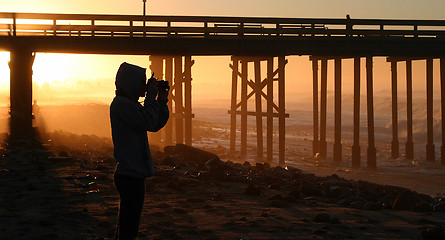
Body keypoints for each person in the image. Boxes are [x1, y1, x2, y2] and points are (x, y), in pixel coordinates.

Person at [110, 62, 169, 240]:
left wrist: (161, 101)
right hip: (130, 175)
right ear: (131, 83)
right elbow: (148, 122)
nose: (143, 87)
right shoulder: (121, 105)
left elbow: (155, 123)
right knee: (129, 228)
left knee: (127, 224)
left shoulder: (129, 105)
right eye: (141, 83)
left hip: (132, 174)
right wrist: (151, 97)